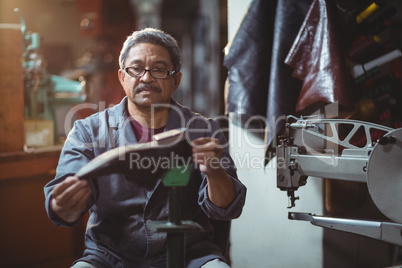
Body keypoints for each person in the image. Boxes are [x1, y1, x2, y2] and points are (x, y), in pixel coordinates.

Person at [44, 28, 246, 268]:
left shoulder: (204, 130)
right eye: (136, 68)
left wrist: (214, 172)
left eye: (159, 69)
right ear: (122, 77)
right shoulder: (87, 132)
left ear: (176, 80)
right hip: (109, 257)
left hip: (190, 254)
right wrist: (64, 205)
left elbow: (227, 209)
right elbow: (63, 213)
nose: (147, 77)